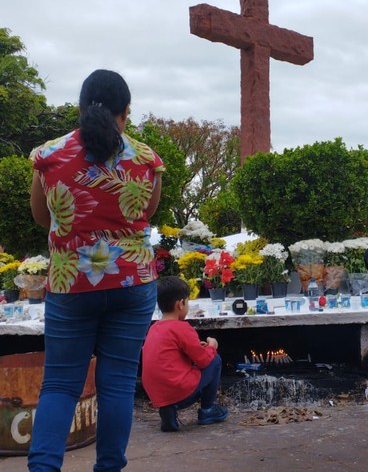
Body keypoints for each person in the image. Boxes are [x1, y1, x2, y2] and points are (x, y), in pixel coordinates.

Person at [28, 69, 164, 472]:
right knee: (118, 383)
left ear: (81, 107)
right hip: (132, 281)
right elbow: (146, 214)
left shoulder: (48, 156)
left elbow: (40, 216)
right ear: (127, 111)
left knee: (60, 385)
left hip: (72, 282)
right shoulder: (147, 160)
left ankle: (43, 468)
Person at [142, 276, 228, 433]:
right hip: (180, 390)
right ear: (180, 304)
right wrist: (212, 346)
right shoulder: (182, 328)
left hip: (157, 395)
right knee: (214, 360)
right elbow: (203, 361)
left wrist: (197, 347)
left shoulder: (154, 328)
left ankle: (168, 410)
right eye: (188, 302)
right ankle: (207, 410)